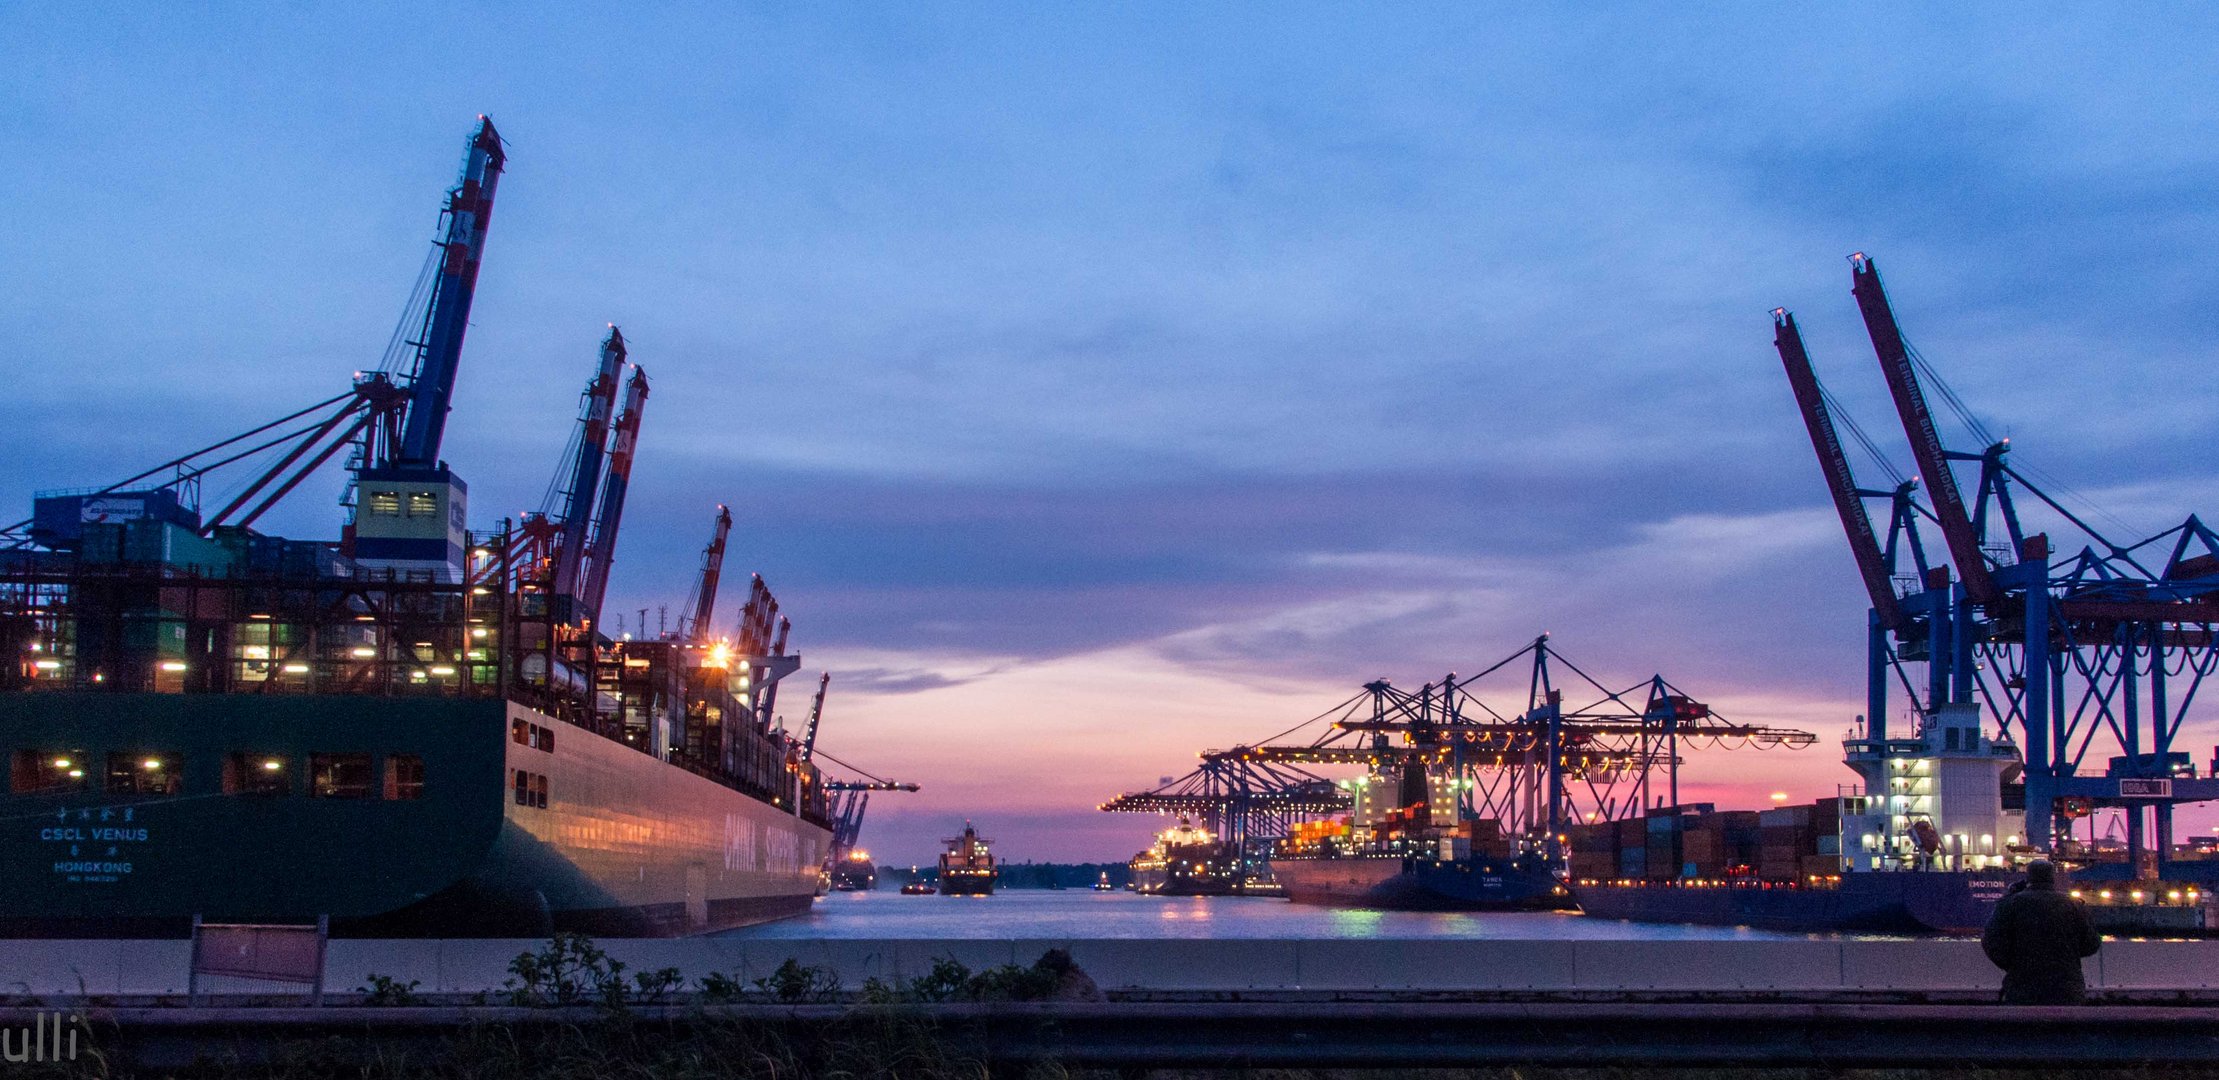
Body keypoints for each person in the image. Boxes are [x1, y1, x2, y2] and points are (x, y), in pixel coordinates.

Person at [1981, 860, 2101, 1004]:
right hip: (2067, 990)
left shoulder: (2009, 904)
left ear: (2028, 877)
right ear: (2052, 877)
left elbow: (1991, 942)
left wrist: (2011, 966)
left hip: (2022, 989)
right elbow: (2092, 944)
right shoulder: (2074, 905)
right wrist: (2068, 955)